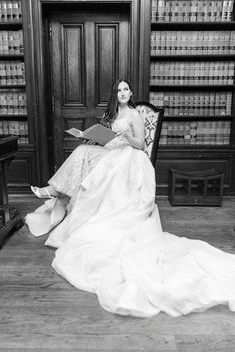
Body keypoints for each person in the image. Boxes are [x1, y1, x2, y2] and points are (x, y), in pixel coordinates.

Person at [26, 79, 235, 318]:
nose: (123, 93)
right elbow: (109, 138)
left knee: (89, 160)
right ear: (115, 93)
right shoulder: (114, 112)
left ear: (131, 92)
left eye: (126, 89)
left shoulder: (135, 114)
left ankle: (56, 192)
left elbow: (141, 143)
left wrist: (125, 136)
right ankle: (58, 192)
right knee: (83, 151)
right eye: (119, 90)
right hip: (112, 150)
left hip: (129, 156)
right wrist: (95, 137)